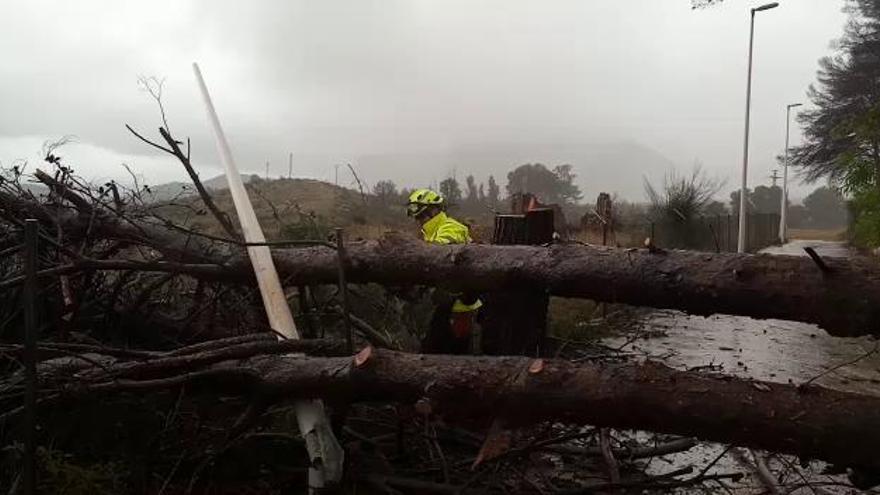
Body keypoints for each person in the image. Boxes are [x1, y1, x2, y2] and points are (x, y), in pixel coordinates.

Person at [406, 189, 482, 354]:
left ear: (434, 211)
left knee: (456, 354)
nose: (419, 221)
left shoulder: (451, 227)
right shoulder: (431, 231)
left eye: (422, 216)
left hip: (461, 306)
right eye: (417, 217)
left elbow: (440, 250)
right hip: (444, 303)